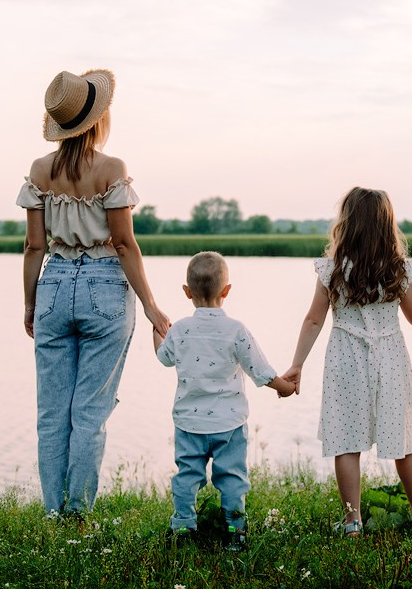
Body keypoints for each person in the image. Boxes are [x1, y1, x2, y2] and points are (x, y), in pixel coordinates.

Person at [17, 69, 170, 517]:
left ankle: (52, 511)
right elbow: (124, 244)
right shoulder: (111, 170)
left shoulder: (39, 171)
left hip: (53, 284)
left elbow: (33, 246)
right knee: (89, 412)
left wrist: (30, 303)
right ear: (97, 120)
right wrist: (152, 307)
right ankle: (77, 513)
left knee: (52, 413)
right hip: (105, 287)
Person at [283, 187, 412, 536]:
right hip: (390, 358)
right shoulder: (396, 269)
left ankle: (352, 522)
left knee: (347, 442)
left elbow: (313, 320)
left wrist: (297, 363)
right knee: (402, 438)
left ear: (346, 224)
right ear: (387, 226)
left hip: (345, 358)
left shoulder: (333, 269)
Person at [154, 251, 296, 549]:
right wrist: (283, 386)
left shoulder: (179, 329)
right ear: (227, 291)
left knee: (187, 475)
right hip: (228, 424)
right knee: (231, 476)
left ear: (186, 292)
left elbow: (164, 357)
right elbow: (260, 368)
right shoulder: (235, 330)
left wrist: (158, 331)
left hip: (189, 423)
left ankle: (183, 526)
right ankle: (235, 530)